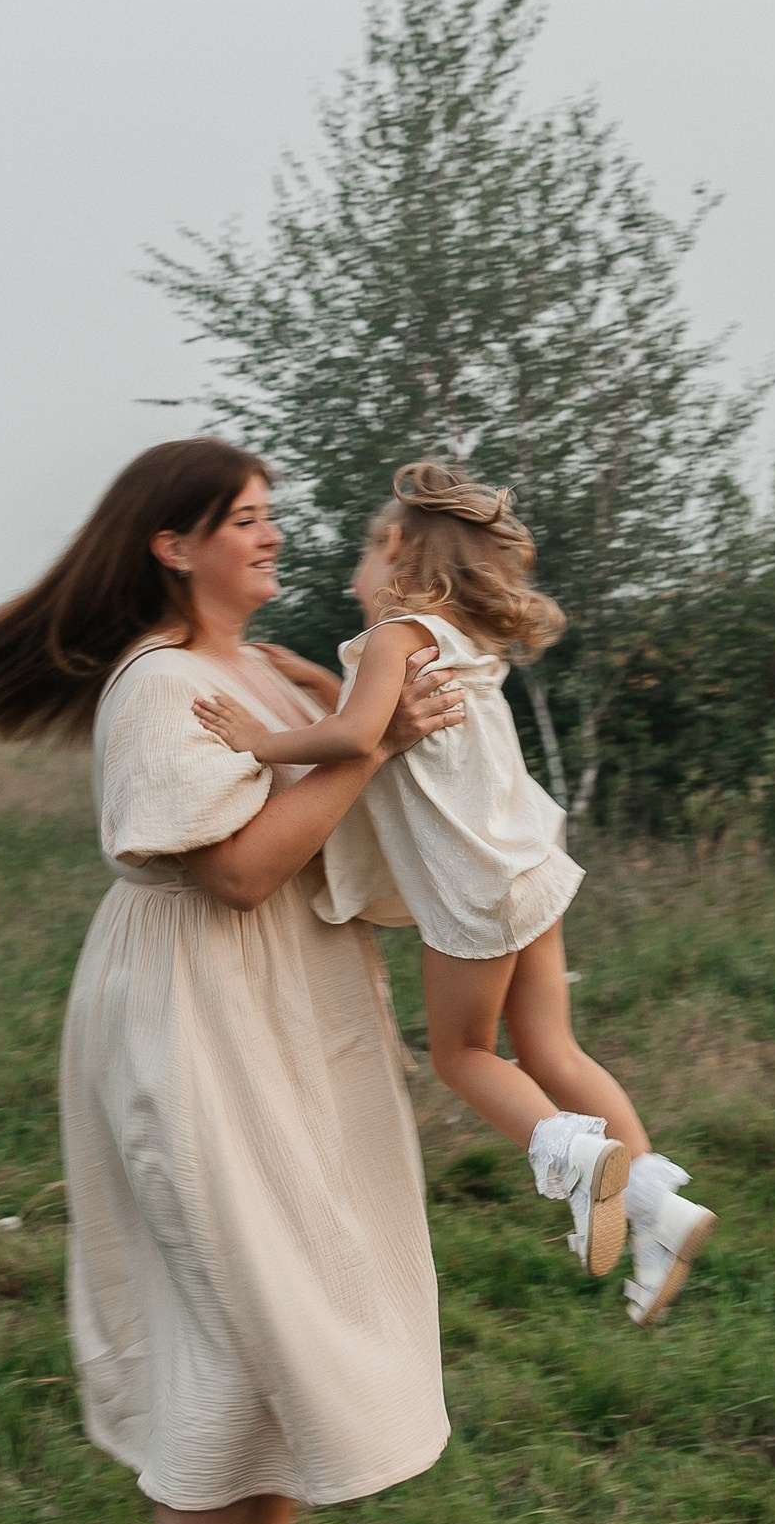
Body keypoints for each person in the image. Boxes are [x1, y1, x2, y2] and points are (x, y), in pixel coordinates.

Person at [0, 438, 466, 1524]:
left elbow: (357, 762)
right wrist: (371, 747)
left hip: (293, 1006)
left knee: (298, 1287)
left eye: (277, 516)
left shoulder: (263, 670)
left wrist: (386, 714)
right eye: (247, 520)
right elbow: (234, 871)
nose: (274, 537)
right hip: (197, 1008)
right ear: (174, 544)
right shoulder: (160, 688)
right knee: (229, 1300)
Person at [192, 459, 716, 1329]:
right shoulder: (457, 638)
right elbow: (385, 722)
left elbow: (363, 736)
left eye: (363, 546)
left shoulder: (396, 633)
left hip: (475, 893)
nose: (352, 567)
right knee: (553, 1049)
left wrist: (260, 737)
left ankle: (574, 1160)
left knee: (463, 1055)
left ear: (394, 548)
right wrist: (322, 687)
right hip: (527, 866)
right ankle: (659, 1206)